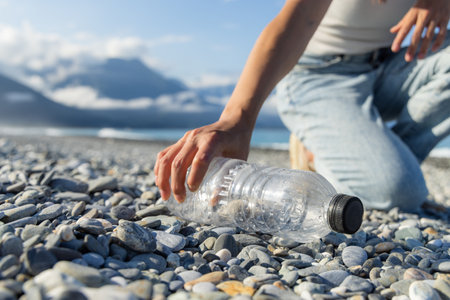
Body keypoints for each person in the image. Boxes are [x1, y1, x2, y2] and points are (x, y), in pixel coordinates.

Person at [154, 0, 450, 212]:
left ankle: (364, 157)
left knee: (396, 182)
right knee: (399, 193)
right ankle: (337, 156)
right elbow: (295, 20)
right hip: (319, 76)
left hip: (392, 65)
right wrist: (236, 119)